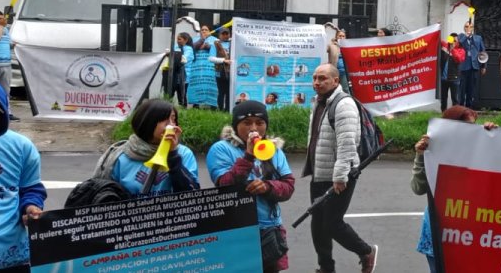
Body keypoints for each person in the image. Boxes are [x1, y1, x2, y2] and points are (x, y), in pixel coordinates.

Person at [208, 100, 296, 273]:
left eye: (260, 123)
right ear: (236, 125)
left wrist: (267, 187)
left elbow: (288, 187)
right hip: (236, 229)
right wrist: (248, 156)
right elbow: (224, 185)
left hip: (269, 228)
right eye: (246, 123)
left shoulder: (274, 150)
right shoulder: (221, 149)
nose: (253, 128)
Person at [303, 65, 376, 273]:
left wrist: (340, 177)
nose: (317, 82)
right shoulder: (318, 102)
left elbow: (347, 144)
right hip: (320, 173)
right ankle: (326, 268)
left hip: (340, 175)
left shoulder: (344, 105)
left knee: (332, 224)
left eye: (323, 78)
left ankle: (366, 251)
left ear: (335, 81)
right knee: (317, 225)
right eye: (315, 78)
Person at [411, 106, 497, 272]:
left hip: (470, 232)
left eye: (474, 127)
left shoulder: (479, 149)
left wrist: (494, 140)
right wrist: (421, 156)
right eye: (466, 128)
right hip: (440, 229)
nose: (472, 132)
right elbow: (418, 188)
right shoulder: (434, 149)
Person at [0, 77, 44, 273]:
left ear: (2, 115)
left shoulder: (22, 147)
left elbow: (31, 188)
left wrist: (31, 207)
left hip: (12, 254)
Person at [95, 98, 199, 195]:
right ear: (149, 123)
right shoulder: (120, 157)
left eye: (173, 120)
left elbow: (192, 196)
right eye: (166, 121)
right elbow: (105, 195)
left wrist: (172, 156)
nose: (172, 126)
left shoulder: (184, 154)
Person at [188, 24, 219, 108]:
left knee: (211, 85)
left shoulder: (215, 40)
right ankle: (196, 104)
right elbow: (193, 47)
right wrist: (202, 40)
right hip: (197, 68)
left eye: (206, 30)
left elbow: (217, 50)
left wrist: (207, 46)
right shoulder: (195, 39)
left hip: (210, 68)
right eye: (202, 30)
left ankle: (212, 105)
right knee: (197, 84)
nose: (204, 31)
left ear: (210, 31)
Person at [457, 22, 485, 109]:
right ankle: (461, 107)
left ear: (473, 28)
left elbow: (482, 53)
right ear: (464, 28)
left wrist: (483, 66)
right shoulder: (461, 36)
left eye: (471, 27)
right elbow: (460, 43)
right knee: (462, 89)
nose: (469, 28)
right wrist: (466, 35)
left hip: (474, 67)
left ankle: (469, 109)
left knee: (471, 89)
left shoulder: (478, 38)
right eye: (466, 27)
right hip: (463, 67)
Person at [166, 32, 192, 107]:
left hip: (183, 76)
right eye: (177, 39)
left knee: (182, 96)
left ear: (186, 40)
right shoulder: (174, 47)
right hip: (174, 75)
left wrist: (173, 55)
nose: (178, 41)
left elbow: (183, 59)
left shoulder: (189, 49)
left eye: (179, 39)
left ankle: (183, 112)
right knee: (170, 95)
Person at [211, 27, 233, 111]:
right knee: (221, 92)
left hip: (231, 71)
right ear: (219, 35)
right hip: (220, 72)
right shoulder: (215, 44)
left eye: (226, 33)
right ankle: (220, 109)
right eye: (223, 34)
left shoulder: (233, 44)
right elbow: (210, 58)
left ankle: (227, 109)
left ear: (229, 34)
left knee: (229, 92)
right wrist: (223, 60)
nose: (225, 36)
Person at [439, 33, 461, 112]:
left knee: (455, 99)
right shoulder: (445, 47)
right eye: (452, 40)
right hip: (444, 79)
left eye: (455, 40)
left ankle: (455, 116)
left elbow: (459, 59)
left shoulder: (460, 50)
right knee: (443, 98)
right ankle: (443, 114)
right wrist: (438, 27)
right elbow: (438, 39)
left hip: (454, 79)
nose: (453, 42)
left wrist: (453, 49)